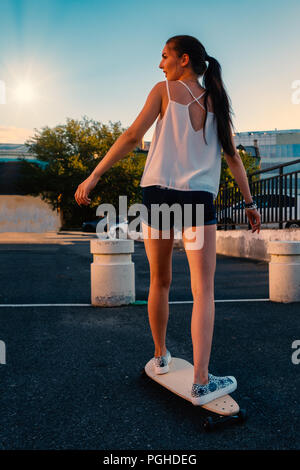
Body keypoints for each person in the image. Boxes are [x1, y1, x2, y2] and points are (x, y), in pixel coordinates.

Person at [74, 35, 261, 406]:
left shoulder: (163, 90)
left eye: (164, 56)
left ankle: (160, 357)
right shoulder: (217, 103)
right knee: (202, 291)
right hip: (197, 199)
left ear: (183, 59)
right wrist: (250, 203)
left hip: (158, 194)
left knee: (160, 280)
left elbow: (131, 137)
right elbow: (234, 160)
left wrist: (94, 174)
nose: (160, 64)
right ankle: (202, 381)